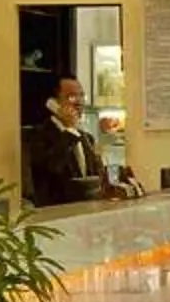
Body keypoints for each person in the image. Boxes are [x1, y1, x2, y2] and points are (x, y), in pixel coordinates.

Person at [22, 76, 107, 207]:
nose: (79, 102)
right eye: (71, 97)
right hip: (55, 216)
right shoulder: (37, 135)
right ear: (53, 103)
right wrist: (69, 130)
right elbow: (53, 166)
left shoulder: (87, 138)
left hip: (88, 213)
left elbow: (96, 178)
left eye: (81, 96)